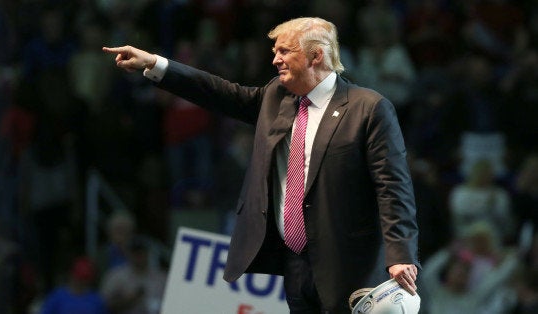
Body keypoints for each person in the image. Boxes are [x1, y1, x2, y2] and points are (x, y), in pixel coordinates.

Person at [103, 17, 420, 313]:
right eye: (274, 51)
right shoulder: (276, 97)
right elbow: (220, 93)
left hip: (351, 264)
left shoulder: (368, 108)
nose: (275, 59)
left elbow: (393, 188)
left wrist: (401, 255)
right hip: (294, 263)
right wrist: (157, 65)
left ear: (317, 56)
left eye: (284, 51)